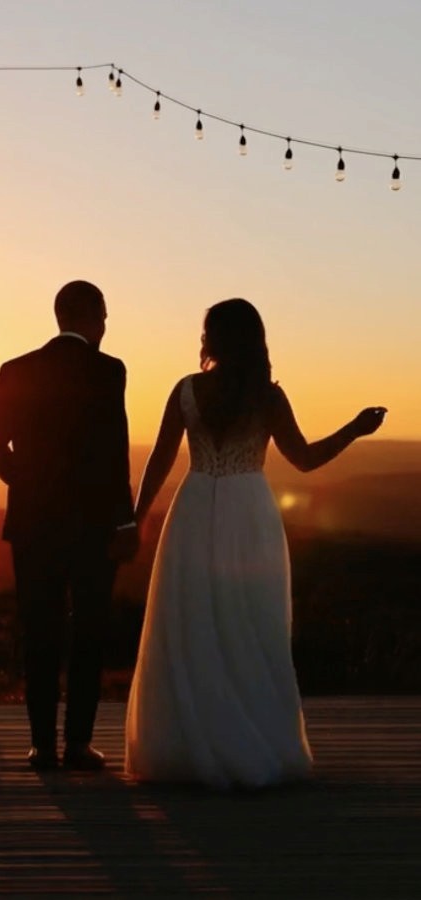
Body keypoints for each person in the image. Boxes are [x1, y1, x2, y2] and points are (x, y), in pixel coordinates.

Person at [124, 298, 386, 789]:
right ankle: (254, 740)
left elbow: (159, 461)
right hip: (250, 513)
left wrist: (136, 521)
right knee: (251, 625)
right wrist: (354, 428)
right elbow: (305, 460)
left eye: (205, 330)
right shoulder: (267, 397)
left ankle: (187, 744)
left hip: (195, 506)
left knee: (192, 623)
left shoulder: (186, 389)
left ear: (216, 338)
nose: (200, 338)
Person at [0, 280, 139, 771]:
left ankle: (41, 746)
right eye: (105, 316)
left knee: (39, 630)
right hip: (94, 524)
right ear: (94, 317)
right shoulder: (109, 371)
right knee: (88, 631)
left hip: (32, 523)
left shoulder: (17, 369)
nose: (106, 326)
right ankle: (78, 745)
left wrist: (24, 482)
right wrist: (125, 520)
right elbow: (116, 453)